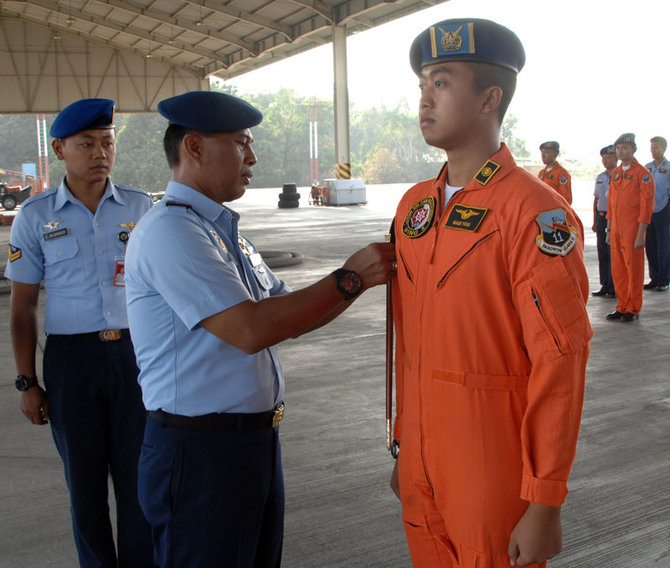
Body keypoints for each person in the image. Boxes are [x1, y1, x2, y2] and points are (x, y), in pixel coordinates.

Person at [123, 90, 395, 568]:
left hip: (249, 447)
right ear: (194, 147)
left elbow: (286, 315)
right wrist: (349, 277)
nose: (253, 158)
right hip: (200, 454)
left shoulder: (225, 234)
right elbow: (251, 329)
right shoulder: (172, 232)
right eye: (241, 144)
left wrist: (354, 286)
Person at [388, 18, 592, 568]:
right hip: (422, 463)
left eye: (442, 83)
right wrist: (407, 443)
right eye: (423, 84)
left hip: (490, 467)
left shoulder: (533, 212)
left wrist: (544, 499)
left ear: (489, 98)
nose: (425, 99)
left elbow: (561, 360)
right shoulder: (414, 209)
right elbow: (410, 343)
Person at [5, 98, 154, 567]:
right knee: (85, 487)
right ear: (59, 148)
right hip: (72, 364)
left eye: (107, 142)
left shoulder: (141, 206)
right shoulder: (35, 216)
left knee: (139, 483)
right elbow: (23, 306)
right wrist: (28, 381)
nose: (99, 152)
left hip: (134, 357)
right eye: (86, 143)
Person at [606, 132, 655, 321]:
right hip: (617, 229)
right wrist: (609, 230)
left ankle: (633, 308)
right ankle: (622, 305)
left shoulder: (642, 175)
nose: (620, 151)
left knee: (633, 270)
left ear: (633, 149)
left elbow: (646, 206)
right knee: (618, 270)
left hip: (633, 229)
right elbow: (611, 204)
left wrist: (641, 233)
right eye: (618, 148)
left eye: (624, 148)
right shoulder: (616, 173)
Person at [644, 136, 670, 291]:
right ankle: (654, 277)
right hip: (648, 212)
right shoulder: (646, 168)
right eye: (652, 148)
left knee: (664, 246)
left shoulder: (668, 168)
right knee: (650, 246)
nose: (653, 151)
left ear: (664, 149)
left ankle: (664, 279)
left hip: (663, 211)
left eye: (656, 148)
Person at [591, 144, 617, 297]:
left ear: (616, 158)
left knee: (612, 252)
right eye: (604, 158)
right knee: (602, 251)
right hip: (601, 217)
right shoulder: (600, 178)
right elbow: (596, 199)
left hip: (614, 218)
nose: (606, 161)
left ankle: (614, 285)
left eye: (609, 158)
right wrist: (594, 221)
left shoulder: (619, 176)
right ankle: (605, 284)